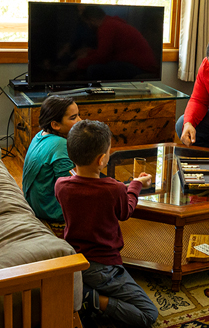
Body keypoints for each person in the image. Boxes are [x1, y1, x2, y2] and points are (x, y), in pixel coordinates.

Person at [55, 120, 158, 328]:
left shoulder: (61, 185)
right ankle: (92, 299)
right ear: (102, 160)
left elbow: (87, 192)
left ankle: (81, 289)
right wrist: (136, 185)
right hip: (104, 267)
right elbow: (125, 211)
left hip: (75, 261)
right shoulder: (114, 189)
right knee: (149, 314)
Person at [22, 95, 81, 222]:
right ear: (55, 124)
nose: (80, 120)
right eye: (73, 117)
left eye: (78, 115)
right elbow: (70, 188)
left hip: (33, 203)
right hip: (49, 210)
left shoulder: (40, 135)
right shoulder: (60, 145)